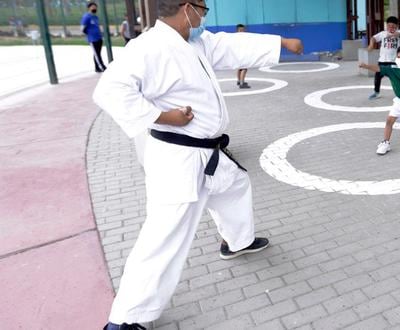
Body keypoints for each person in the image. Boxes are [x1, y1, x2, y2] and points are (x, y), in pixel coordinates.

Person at [92, 0, 303, 328]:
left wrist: (281, 43)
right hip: (179, 157)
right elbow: (109, 91)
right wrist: (164, 116)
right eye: (203, 9)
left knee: (234, 186)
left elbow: (230, 44)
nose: (205, 16)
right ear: (186, 7)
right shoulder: (148, 47)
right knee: (165, 234)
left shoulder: (195, 43)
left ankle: (237, 241)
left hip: (209, 153)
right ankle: (126, 318)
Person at [368, 16, 400, 100]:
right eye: (389, 26)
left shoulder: (399, 33)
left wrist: (390, 35)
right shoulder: (382, 33)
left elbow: (397, 34)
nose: (391, 28)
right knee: (377, 77)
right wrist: (371, 44)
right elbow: (373, 38)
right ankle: (376, 93)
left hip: (393, 61)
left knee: (395, 79)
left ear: (397, 26)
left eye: (393, 26)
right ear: (386, 25)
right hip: (382, 61)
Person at [81, 2, 107, 72]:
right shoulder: (86, 17)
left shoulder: (95, 17)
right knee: (97, 54)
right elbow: (82, 28)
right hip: (93, 39)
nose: (94, 8)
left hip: (99, 38)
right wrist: (89, 34)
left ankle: (97, 68)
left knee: (97, 53)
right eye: (92, 7)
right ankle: (102, 67)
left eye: (95, 7)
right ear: (89, 8)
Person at [235, 23, 250, 89]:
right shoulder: (239, 37)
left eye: (243, 30)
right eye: (240, 30)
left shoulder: (236, 37)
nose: (242, 31)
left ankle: (239, 81)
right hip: (241, 54)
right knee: (244, 68)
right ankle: (242, 83)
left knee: (240, 68)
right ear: (237, 30)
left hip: (239, 54)